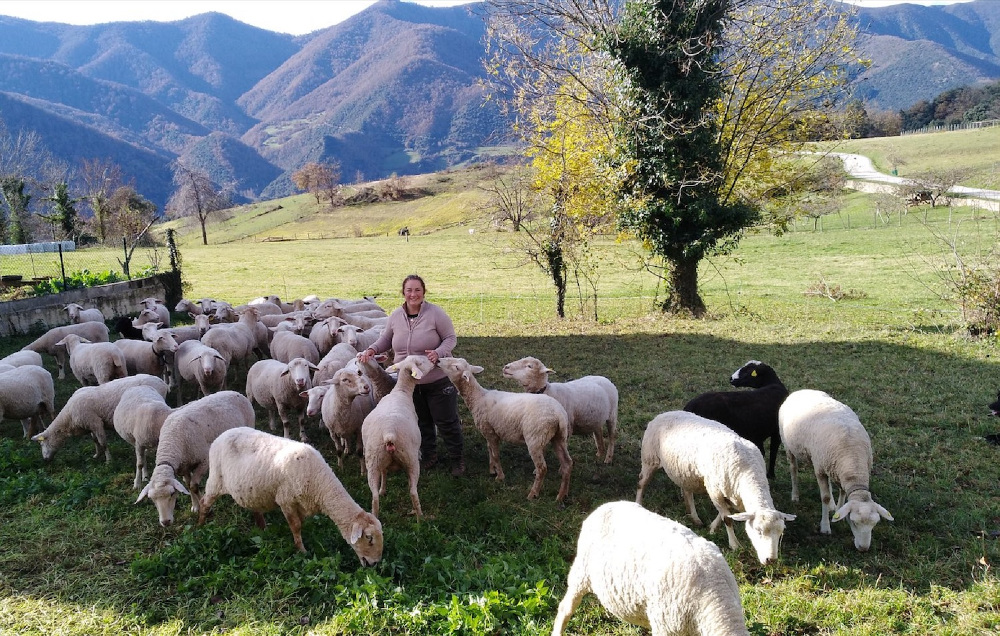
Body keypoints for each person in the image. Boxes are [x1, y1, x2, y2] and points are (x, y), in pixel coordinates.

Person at [357, 274, 465, 476]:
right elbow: (386, 339)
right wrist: (372, 349)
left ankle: (457, 459)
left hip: (436, 378)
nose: (413, 294)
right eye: (409, 290)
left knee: (446, 420)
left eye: (417, 290)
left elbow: (450, 338)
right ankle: (430, 455)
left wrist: (438, 352)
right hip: (409, 383)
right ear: (403, 292)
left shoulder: (435, 314)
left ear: (424, 292)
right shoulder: (396, 316)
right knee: (421, 420)